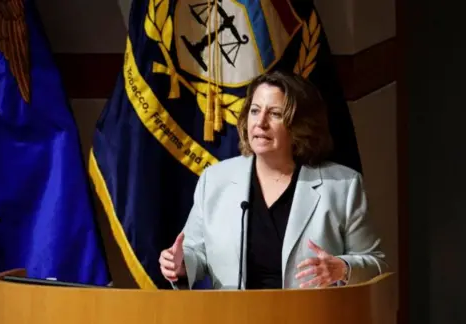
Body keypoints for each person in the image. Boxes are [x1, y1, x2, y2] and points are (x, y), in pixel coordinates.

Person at [159, 71, 388, 289]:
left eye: (275, 114)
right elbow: (194, 252)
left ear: (300, 124)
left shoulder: (342, 185)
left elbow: (376, 264)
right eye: (255, 111)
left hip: (310, 321)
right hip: (234, 322)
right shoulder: (215, 180)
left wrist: (343, 269)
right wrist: (180, 263)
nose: (260, 123)